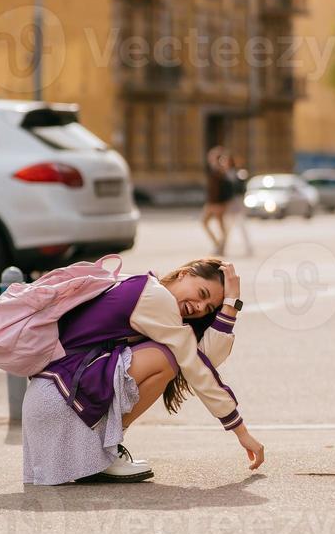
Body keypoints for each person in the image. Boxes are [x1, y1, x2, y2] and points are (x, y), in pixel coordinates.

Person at [22, 258, 265, 485]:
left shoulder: (150, 291)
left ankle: (100, 450)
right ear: (184, 274)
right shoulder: (156, 299)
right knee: (166, 359)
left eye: (209, 307)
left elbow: (207, 357)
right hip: (58, 398)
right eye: (202, 294)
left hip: (53, 397)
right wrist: (240, 430)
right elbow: (195, 365)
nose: (200, 307)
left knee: (172, 356)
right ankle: (104, 449)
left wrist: (230, 306)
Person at [201, 146, 233, 254]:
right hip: (212, 202)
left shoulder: (219, 169)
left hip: (216, 203)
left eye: (211, 155)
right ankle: (219, 245)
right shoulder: (216, 168)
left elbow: (221, 188)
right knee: (208, 223)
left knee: (220, 226)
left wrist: (221, 204)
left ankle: (220, 247)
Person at [222, 153, 253, 257]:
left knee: (241, 226)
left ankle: (248, 247)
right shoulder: (224, 174)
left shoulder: (237, 173)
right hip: (229, 204)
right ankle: (222, 248)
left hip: (236, 203)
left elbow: (240, 189)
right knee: (226, 228)